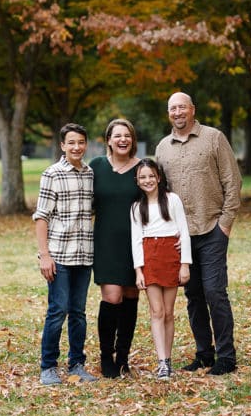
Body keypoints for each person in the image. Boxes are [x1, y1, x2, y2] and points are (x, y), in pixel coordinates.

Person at [155, 92, 242, 375]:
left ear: (192, 110)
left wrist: (225, 223)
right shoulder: (162, 147)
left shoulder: (214, 138)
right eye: (172, 108)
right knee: (193, 296)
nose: (178, 112)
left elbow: (233, 180)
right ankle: (204, 353)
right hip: (180, 236)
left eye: (182, 107)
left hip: (211, 227)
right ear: (168, 113)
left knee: (215, 292)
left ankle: (226, 357)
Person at [33, 123, 98, 386]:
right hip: (59, 255)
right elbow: (41, 217)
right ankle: (48, 366)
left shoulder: (90, 173)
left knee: (78, 312)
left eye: (81, 142)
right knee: (57, 311)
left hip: (84, 256)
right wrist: (44, 255)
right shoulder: (53, 174)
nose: (77, 147)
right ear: (62, 145)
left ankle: (77, 364)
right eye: (71, 142)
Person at [90, 118, 142, 378]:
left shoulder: (142, 168)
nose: (123, 140)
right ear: (108, 140)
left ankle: (123, 356)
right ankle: (106, 356)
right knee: (112, 297)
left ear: (132, 140)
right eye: (117, 135)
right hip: (106, 243)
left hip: (136, 245)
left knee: (131, 297)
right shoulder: (97, 166)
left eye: (128, 136)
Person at [130, 159, 192, 379]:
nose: (147, 180)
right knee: (156, 311)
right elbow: (136, 240)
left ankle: (169, 358)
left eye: (151, 176)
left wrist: (185, 264)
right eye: (142, 177)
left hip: (171, 257)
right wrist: (139, 270)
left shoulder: (172, 200)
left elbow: (183, 232)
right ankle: (162, 362)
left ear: (158, 177)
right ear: (137, 182)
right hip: (150, 258)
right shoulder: (137, 207)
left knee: (168, 312)